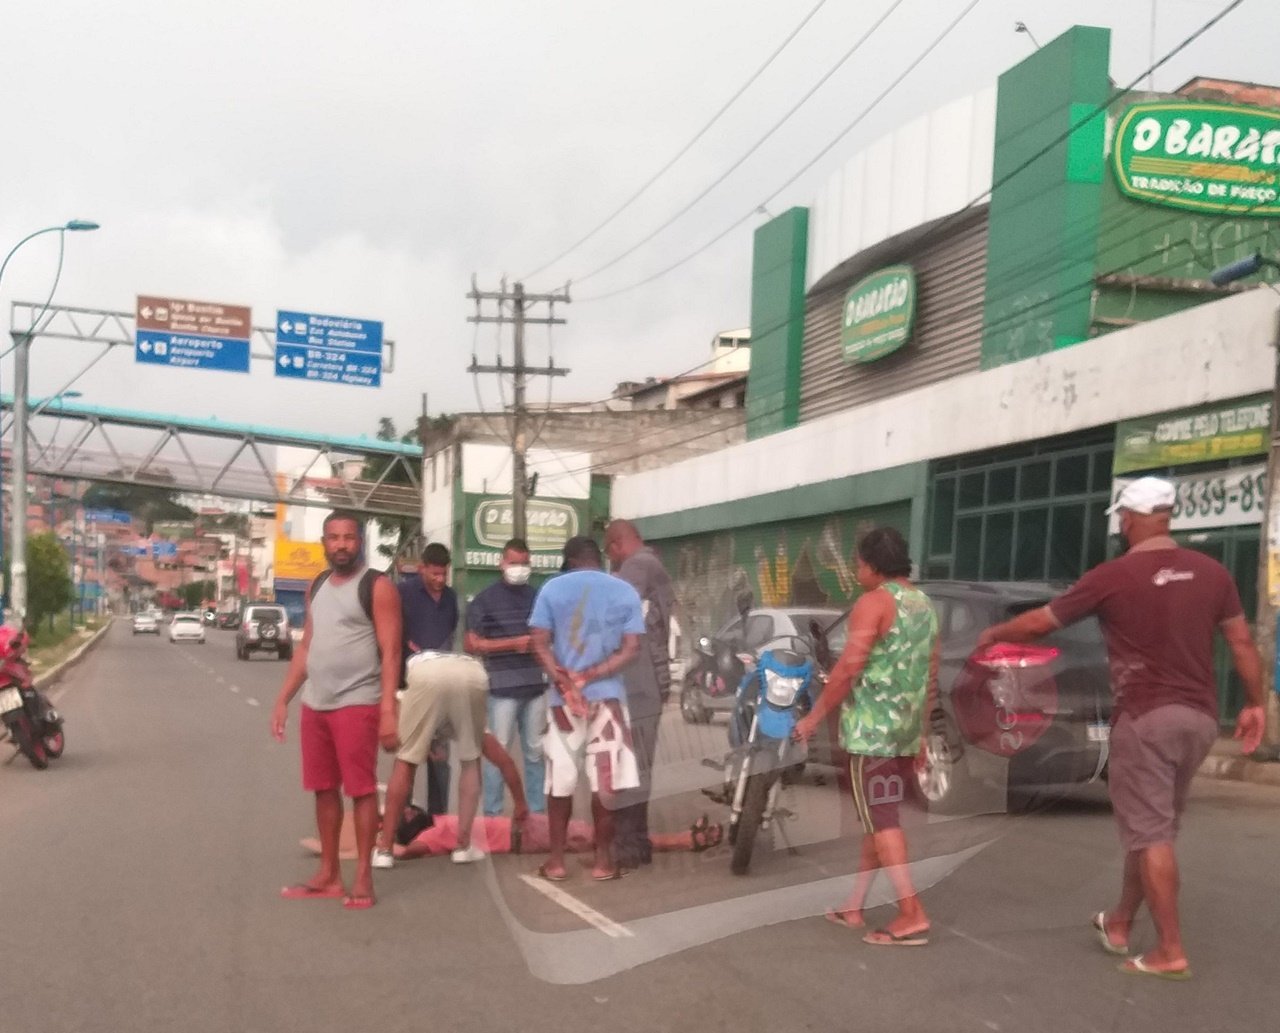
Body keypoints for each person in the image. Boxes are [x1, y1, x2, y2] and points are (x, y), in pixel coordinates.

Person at [976, 476, 1266, 980]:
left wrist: (994, 633)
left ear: (1128, 519)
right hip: (1198, 721)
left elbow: (1042, 622)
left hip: (1146, 718)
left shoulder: (1113, 576)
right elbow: (1241, 644)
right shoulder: (1213, 573)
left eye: (1121, 518)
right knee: (1151, 827)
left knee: (1151, 834)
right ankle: (1120, 922)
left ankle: (1170, 951)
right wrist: (1256, 704)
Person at [794, 527, 939, 947]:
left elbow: (846, 670)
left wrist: (813, 717)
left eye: (858, 564)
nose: (857, 571)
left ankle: (911, 912)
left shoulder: (871, 604)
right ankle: (855, 905)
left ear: (873, 565)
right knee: (879, 818)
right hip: (904, 731)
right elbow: (930, 675)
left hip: (870, 734)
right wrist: (923, 734)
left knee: (883, 820)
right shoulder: (925, 606)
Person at [270, 510, 403, 911]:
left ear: (359, 541)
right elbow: (307, 646)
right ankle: (329, 874)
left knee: (360, 791)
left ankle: (362, 875)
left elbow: (391, 651)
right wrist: (283, 699)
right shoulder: (319, 584)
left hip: (356, 702)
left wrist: (387, 710)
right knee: (323, 788)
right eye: (334, 538)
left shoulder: (377, 587)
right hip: (317, 703)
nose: (341, 545)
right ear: (324, 543)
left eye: (348, 537)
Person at [529, 535, 645, 882]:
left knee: (560, 779)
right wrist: (594, 673)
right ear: (599, 560)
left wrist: (565, 682)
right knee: (606, 782)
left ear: (569, 561)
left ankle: (556, 862)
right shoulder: (624, 591)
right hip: (608, 698)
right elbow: (631, 649)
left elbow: (539, 644)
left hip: (563, 703)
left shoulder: (551, 590)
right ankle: (603, 862)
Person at [372, 637, 492, 867]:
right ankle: (463, 846)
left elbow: (398, 743)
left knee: (406, 760)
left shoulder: (402, 693)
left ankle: (384, 849)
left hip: (426, 673)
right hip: (472, 673)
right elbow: (498, 756)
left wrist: (415, 743)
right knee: (471, 759)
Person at [604, 519, 675, 868]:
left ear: (617, 545)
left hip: (640, 679)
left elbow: (614, 613)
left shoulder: (637, 566)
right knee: (639, 764)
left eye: (610, 553)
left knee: (630, 765)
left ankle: (629, 845)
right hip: (651, 677)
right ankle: (636, 843)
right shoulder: (654, 564)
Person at [464, 538, 547, 818]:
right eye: (514, 563)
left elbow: (551, 635)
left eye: (524, 563)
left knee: (536, 754)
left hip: (536, 686)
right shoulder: (485, 599)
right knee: (497, 756)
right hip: (501, 689)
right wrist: (512, 644)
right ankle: (493, 815)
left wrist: (538, 642)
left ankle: (536, 815)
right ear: (502, 563)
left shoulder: (538, 597)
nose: (519, 568)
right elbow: (472, 644)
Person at [398, 542, 459, 821]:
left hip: (441, 687)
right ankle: (403, 815)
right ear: (422, 568)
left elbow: (450, 633)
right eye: (434, 574)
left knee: (440, 758)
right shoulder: (404, 593)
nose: (439, 580)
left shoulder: (450, 598)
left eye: (443, 574)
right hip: (410, 686)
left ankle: (439, 818)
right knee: (410, 754)